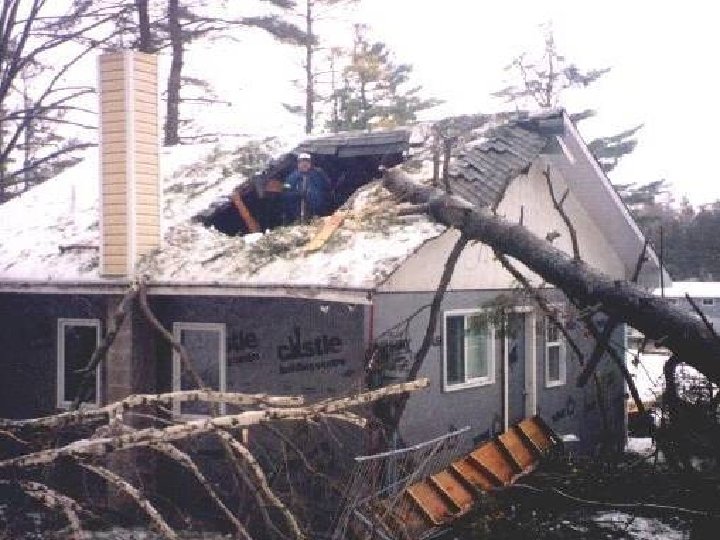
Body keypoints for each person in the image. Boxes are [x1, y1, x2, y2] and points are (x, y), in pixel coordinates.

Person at [282, 153, 332, 223]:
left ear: (310, 163)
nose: (304, 164)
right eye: (302, 162)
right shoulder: (291, 177)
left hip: (318, 213)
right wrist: (298, 194)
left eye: (307, 162)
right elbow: (285, 194)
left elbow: (328, 187)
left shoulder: (318, 174)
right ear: (298, 163)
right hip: (298, 213)